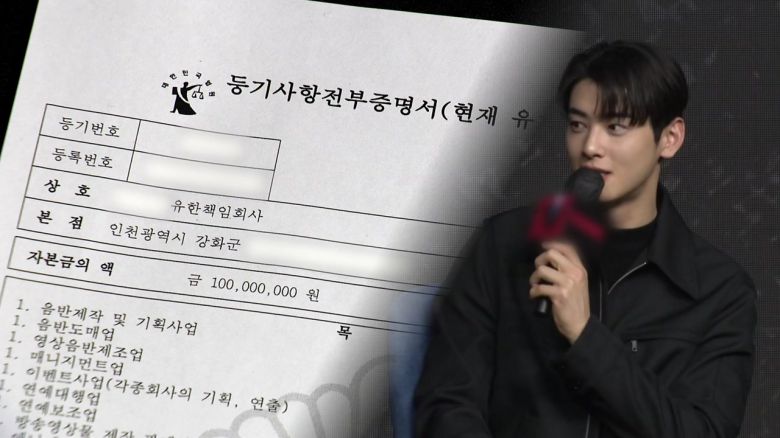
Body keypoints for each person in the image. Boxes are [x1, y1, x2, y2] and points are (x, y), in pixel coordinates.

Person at [413, 40, 757, 438]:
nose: (590, 147)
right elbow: (447, 402)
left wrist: (584, 335)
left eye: (615, 127)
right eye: (578, 125)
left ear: (670, 138)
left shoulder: (719, 289)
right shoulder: (503, 243)